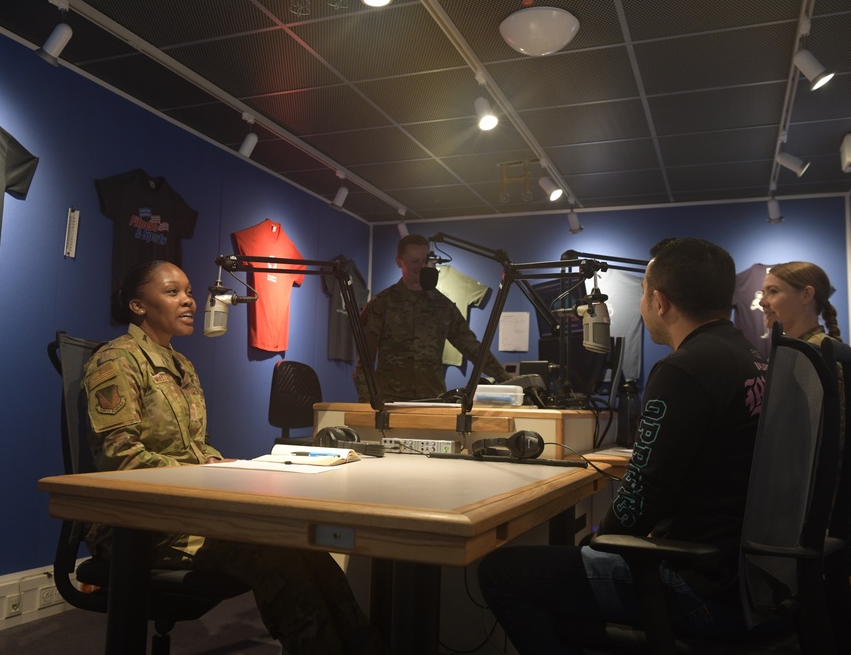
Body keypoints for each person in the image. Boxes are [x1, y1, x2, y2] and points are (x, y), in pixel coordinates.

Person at [477, 238, 771, 653]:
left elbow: (640, 499)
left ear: (659, 302)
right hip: (745, 581)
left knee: (501, 572)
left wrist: (596, 545)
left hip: (701, 589)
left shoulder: (684, 369)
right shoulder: (751, 357)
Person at [83, 260, 388, 655]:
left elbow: (198, 446)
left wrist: (221, 465)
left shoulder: (182, 365)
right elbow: (119, 458)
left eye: (189, 292)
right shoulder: (117, 361)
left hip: (188, 512)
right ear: (138, 306)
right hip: (142, 524)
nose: (189, 301)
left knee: (303, 547)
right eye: (172, 292)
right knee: (274, 555)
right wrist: (202, 473)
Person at [352, 234, 511, 402]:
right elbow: (364, 363)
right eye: (414, 261)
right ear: (399, 262)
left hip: (432, 399)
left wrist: (506, 378)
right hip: (390, 401)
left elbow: (472, 347)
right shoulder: (381, 304)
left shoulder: (443, 306)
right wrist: (367, 404)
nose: (421, 266)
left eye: (424, 260)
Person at [760, 260, 842, 345]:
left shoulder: (822, 353)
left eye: (773, 291)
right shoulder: (795, 350)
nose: (762, 302)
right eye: (763, 293)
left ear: (806, 295)